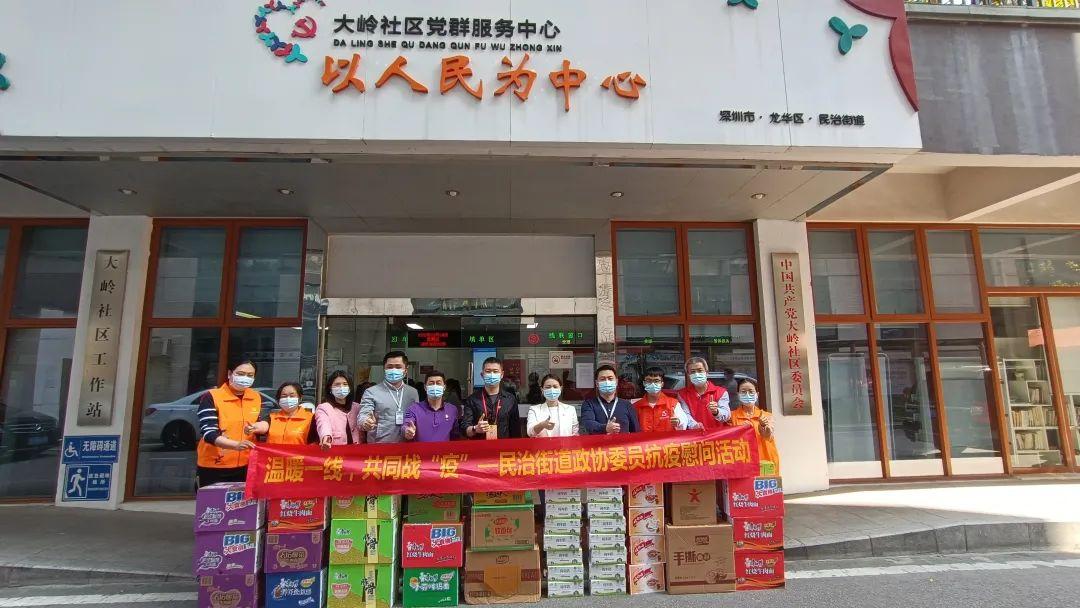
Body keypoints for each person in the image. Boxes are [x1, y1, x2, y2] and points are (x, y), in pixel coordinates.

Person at [196, 360, 264, 487]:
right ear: (229, 374)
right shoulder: (212, 396)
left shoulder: (256, 397)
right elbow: (209, 433)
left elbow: (257, 424)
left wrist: (259, 427)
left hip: (246, 464)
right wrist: (235, 445)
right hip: (214, 465)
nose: (245, 378)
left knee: (243, 500)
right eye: (241, 374)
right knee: (213, 500)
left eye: (250, 375)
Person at [358, 351, 420, 444]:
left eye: (398, 367)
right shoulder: (371, 392)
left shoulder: (413, 393)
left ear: (406, 370)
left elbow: (416, 417)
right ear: (384, 369)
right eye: (390, 367)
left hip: (406, 446)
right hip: (380, 446)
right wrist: (365, 422)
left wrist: (411, 430)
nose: (394, 370)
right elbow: (363, 415)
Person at [460, 357, 520, 440]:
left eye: (495, 371)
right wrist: (475, 429)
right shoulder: (472, 399)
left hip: (503, 447)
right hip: (480, 446)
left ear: (502, 374)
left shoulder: (510, 399)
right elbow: (464, 429)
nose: (492, 374)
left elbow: (516, 430)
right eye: (488, 371)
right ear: (482, 374)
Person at [729, 378, 780, 471]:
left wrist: (763, 427)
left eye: (751, 391)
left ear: (757, 394)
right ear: (738, 394)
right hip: (742, 463)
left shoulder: (767, 416)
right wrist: (740, 430)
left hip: (765, 461)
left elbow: (768, 436)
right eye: (743, 392)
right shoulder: (731, 416)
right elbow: (728, 441)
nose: (747, 394)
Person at [632, 366, 700, 433]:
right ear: (644, 383)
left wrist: (678, 422)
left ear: (662, 384)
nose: (652, 384)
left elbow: (683, 422)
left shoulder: (673, 403)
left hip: (669, 440)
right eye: (649, 381)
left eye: (656, 381)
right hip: (645, 440)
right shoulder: (636, 406)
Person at [248, 382, 315, 445]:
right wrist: (254, 427)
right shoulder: (272, 417)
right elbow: (264, 425)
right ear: (279, 399)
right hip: (273, 454)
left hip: (298, 454)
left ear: (300, 398)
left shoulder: (311, 419)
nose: (288, 398)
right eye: (284, 396)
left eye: (292, 396)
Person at [579, 365, 640, 435]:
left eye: (610, 378)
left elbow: (636, 431)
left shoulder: (627, 405)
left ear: (616, 382)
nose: (607, 382)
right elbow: (587, 424)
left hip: (622, 442)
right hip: (598, 442)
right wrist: (605, 428)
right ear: (597, 383)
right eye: (602, 379)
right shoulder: (589, 404)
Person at [403, 371, 460, 443]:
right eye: (431, 383)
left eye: (438, 383)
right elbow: (407, 425)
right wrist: (407, 431)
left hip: (445, 450)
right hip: (421, 450)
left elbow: (455, 436)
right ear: (425, 387)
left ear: (444, 387)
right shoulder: (414, 409)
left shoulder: (452, 410)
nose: (435, 386)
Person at [676, 357, 731, 430]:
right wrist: (694, 425)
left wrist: (716, 411)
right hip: (694, 434)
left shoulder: (720, 392)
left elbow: (727, 415)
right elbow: (685, 415)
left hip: (716, 435)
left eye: (700, 370)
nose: (696, 374)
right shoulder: (682, 394)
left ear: (706, 372)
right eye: (693, 372)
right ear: (688, 375)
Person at [314, 371, 362, 449]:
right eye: (337, 384)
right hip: (336, 453)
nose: (341, 387)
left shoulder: (357, 407)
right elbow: (323, 424)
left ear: (350, 388)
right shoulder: (324, 408)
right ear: (330, 388)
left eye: (345, 384)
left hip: (357, 453)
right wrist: (326, 437)